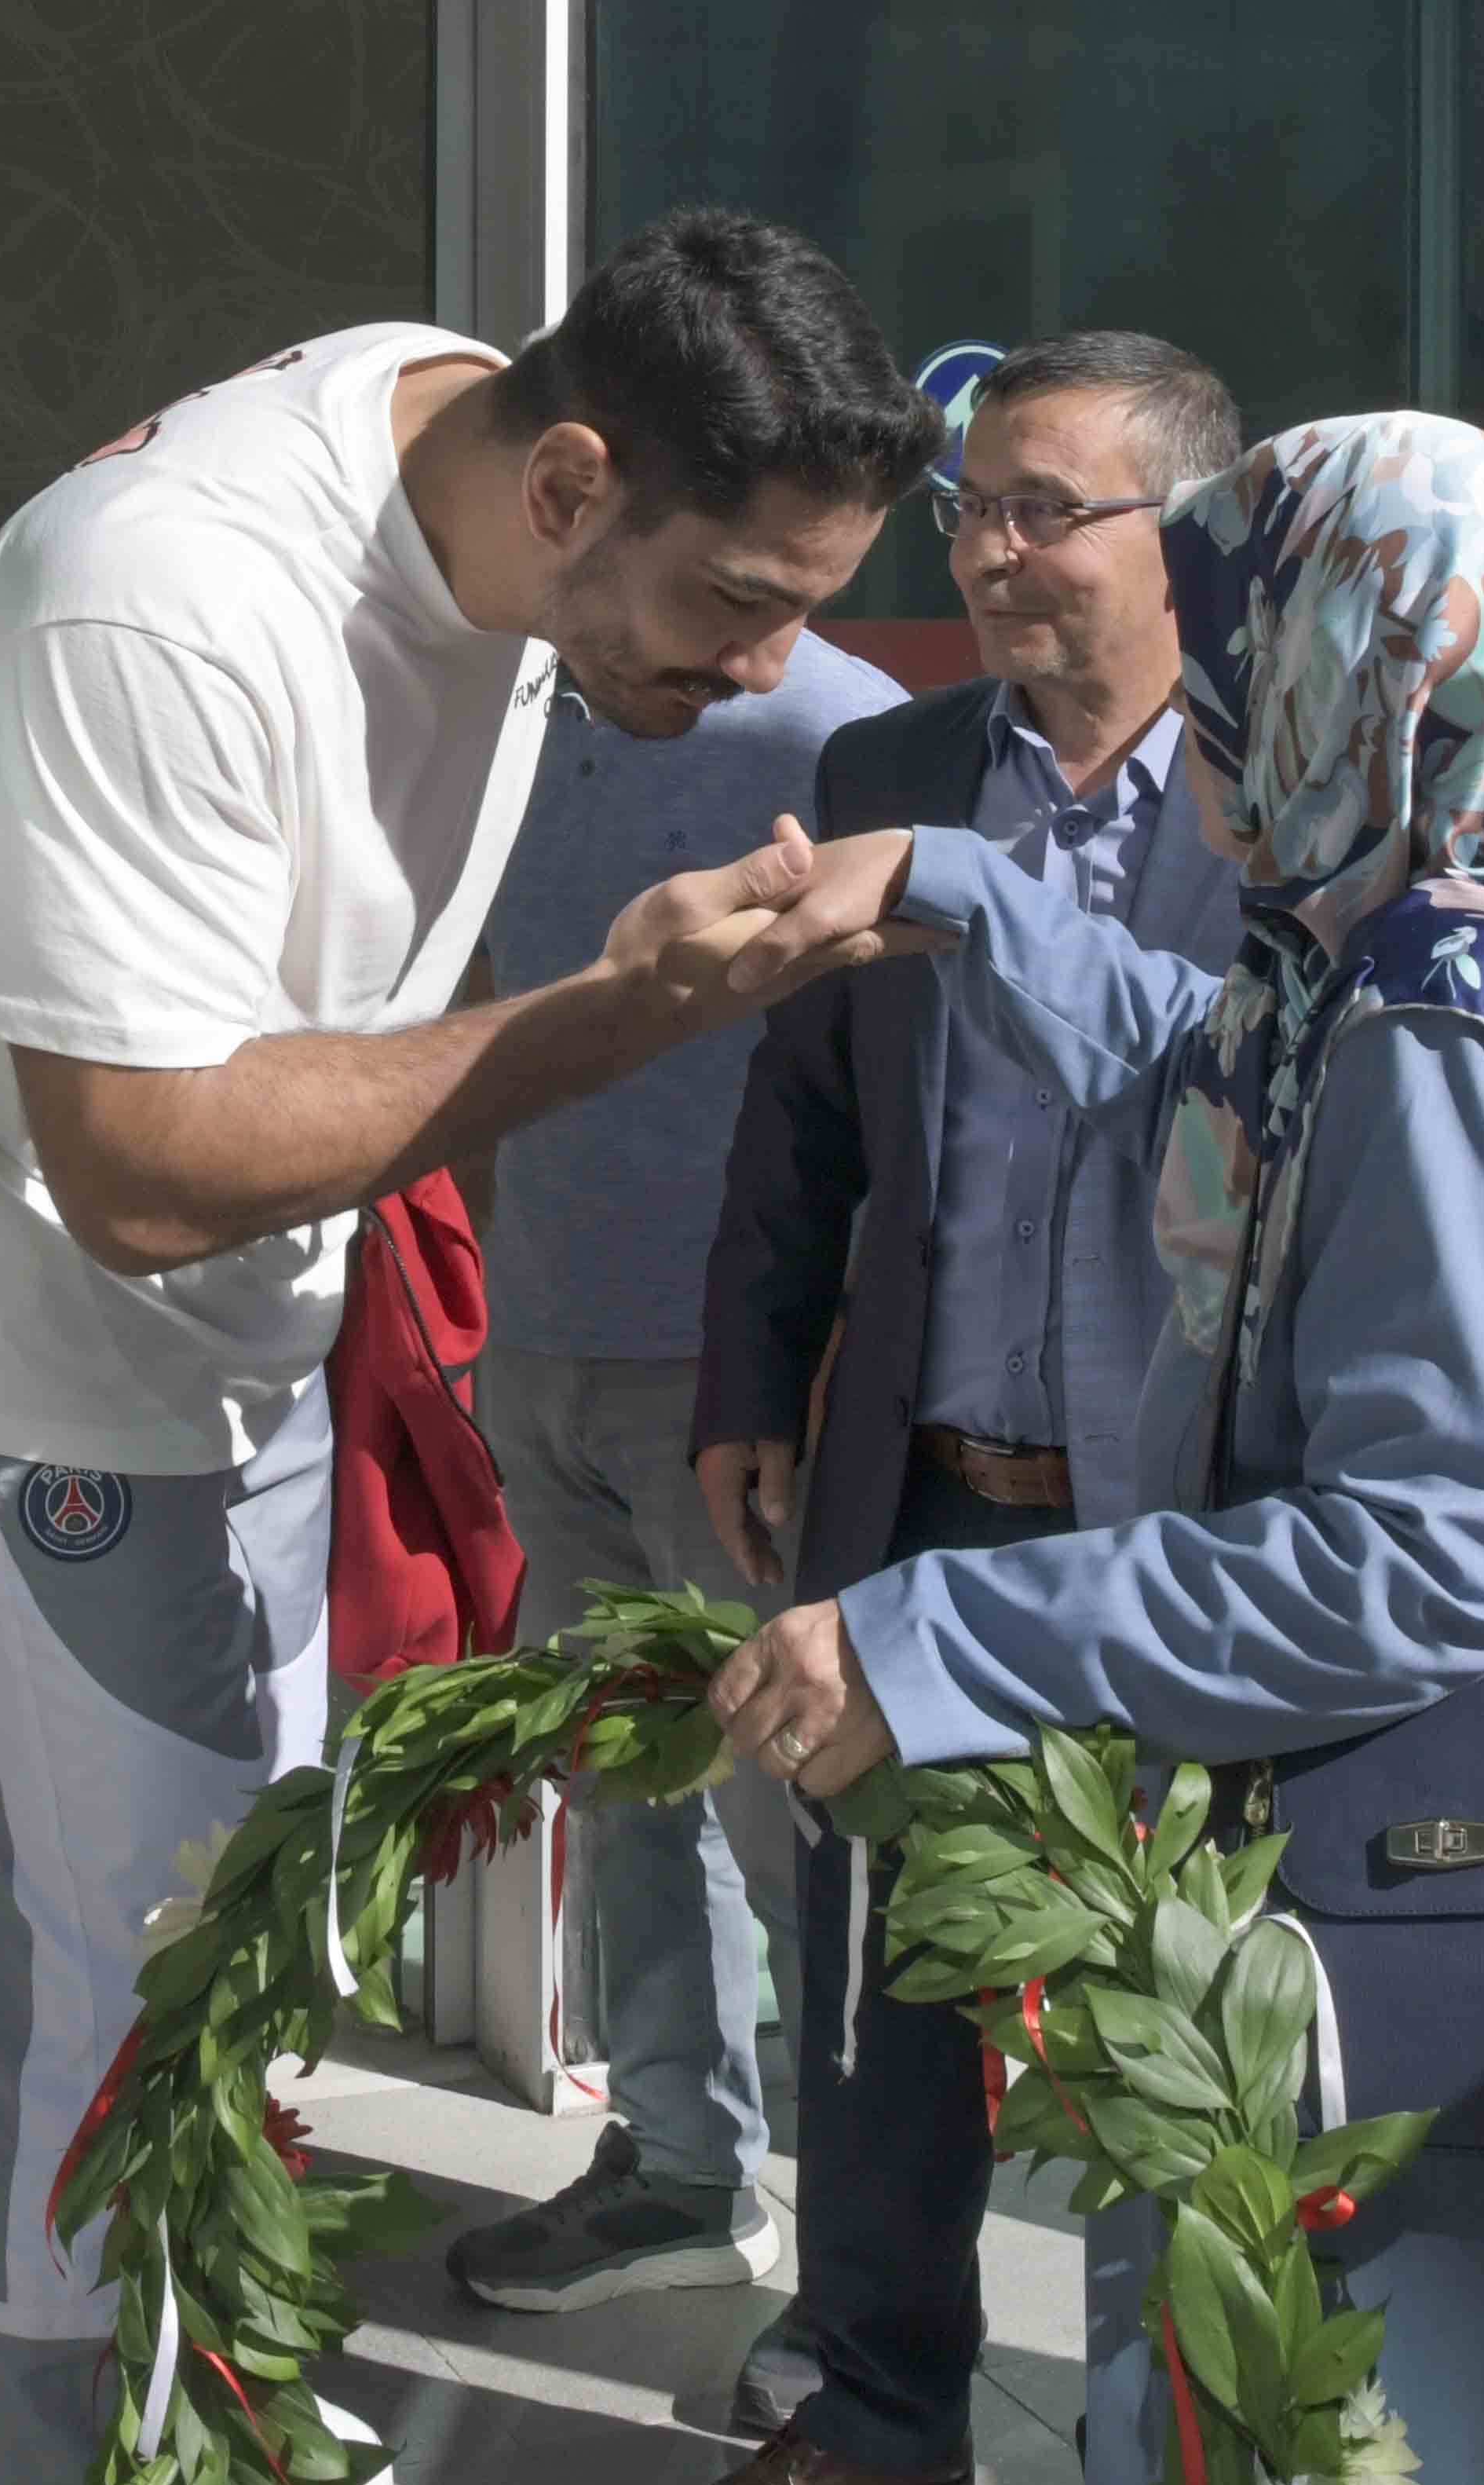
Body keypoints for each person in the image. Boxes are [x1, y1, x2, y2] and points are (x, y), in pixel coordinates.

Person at [0, 208, 941, 2485]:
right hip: (27, 1354)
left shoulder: (460, 433)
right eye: (735, 603)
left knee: (221, 1944)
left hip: (220, 1343)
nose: (756, 672)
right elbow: (145, 1160)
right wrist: (606, 1016)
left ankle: (207, 2484)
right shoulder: (161, 608)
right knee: (113, 2004)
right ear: (574, 477)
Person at [688, 414, 1484, 2485]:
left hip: (1453, 1938)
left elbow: (1427, 1557)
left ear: (1350, 650)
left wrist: (934, 1636)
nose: (1202, 694)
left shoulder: (1447, 1024)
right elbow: (1196, 1064)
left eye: (1237, 637)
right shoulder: (1448, 949)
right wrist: (932, 875)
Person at [630, 330, 1245, 2485]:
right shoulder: (897, 759)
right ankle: (876, 2417)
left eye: (1040, 509)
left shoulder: (1275, 800)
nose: (985, 552)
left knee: (1156, 2001)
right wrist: (748, 1382)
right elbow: (800, 1131)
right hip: (915, 1477)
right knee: (878, 1978)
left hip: (1169, 1528)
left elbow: (1247, 1093)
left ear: (1182, 534)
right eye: (970, 507)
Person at [434, 628, 905, 2319]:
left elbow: (901, 1074)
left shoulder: (850, 732)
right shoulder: (503, 711)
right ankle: (683, 2165)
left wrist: (810, 1355)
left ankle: (876, 2246)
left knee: (800, 1801)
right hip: (545, 1328)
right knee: (629, 1778)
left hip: (736, 1377)